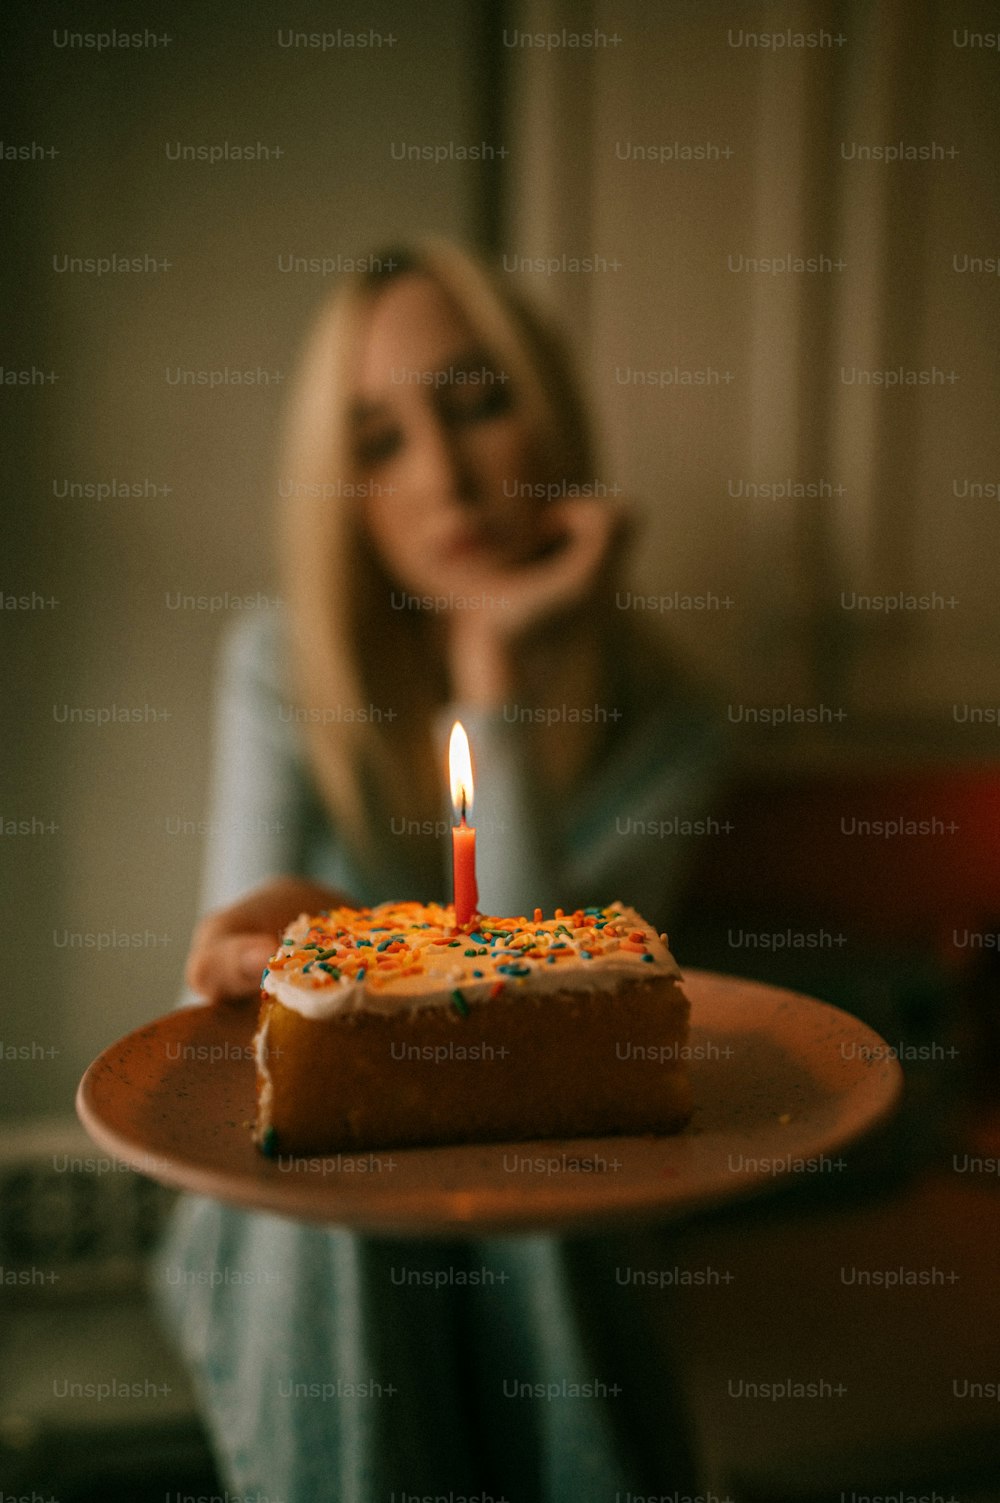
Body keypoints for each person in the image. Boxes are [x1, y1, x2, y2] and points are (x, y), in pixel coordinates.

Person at [155, 239, 722, 1499]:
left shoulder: (675, 719)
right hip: (295, 1226)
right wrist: (283, 952)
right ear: (341, 489)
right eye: (380, 441)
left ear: (552, 414)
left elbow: (545, 1046)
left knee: (538, 1193)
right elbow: (233, 1049)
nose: (447, 476)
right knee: (332, 1180)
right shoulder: (274, 669)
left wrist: (493, 682)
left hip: (545, 1221)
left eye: (476, 405)